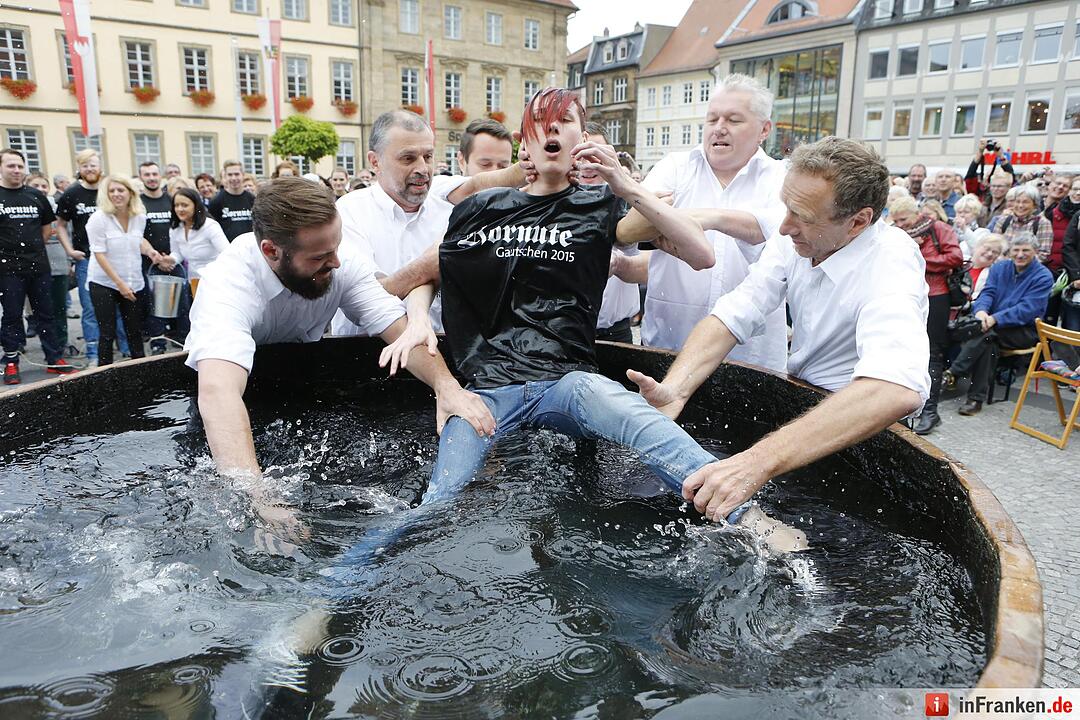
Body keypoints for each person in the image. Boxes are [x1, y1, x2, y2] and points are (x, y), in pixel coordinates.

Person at [424, 88, 791, 546]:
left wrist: (623, 184)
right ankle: (337, 589)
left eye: (565, 121)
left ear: (583, 138)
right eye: (542, 121)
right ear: (526, 140)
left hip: (567, 381)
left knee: (642, 422)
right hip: (487, 390)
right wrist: (419, 318)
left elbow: (701, 253)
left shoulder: (599, 207)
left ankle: (743, 512)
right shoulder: (482, 208)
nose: (553, 127)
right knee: (439, 500)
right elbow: (431, 268)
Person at [626, 137, 930, 522]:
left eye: (801, 215)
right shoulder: (794, 239)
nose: (784, 227)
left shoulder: (891, 265)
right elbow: (734, 313)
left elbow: (895, 388)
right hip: (803, 408)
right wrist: (676, 388)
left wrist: (756, 462)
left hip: (858, 429)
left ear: (857, 222)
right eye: (785, 207)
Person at [184, 176, 494, 536]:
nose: (335, 262)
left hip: (297, 382)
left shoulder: (340, 260)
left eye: (336, 247)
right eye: (319, 257)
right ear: (271, 251)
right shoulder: (229, 285)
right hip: (231, 405)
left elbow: (399, 330)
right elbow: (219, 394)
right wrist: (257, 497)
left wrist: (448, 387)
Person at [617, 74, 790, 373]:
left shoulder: (781, 177)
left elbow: (775, 231)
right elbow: (635, 225)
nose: (719, 128)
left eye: (734, 120)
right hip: (668, 345)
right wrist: (669, 229)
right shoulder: (675, 167)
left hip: (750, 357)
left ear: (764, 129)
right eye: (712, 119)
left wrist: (704, 219)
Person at [330, 110, 524, 343]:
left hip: (444, 349)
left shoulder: (443, 195)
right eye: (408, 158)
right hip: (367, 355)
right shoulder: (349, 212)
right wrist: (430, 264)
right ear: (375, 162)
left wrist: (537, 158)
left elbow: (482, 184)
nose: (422, 168)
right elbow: (362, 301)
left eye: (428, 156)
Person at [947, 234, 1053, 416]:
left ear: (1035, 252)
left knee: (986, 334)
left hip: (1024, 330)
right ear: (1010, 251)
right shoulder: (1000, 267)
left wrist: (994, 318)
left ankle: (954, 372)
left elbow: (1027, 310)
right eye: (1016, 250)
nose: (1020, 254)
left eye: (1025, 250)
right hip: (992, 326)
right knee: (988, 340)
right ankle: (975, 399)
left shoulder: (1043, 276)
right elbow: (987, 293)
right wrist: (981, 312)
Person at [1, 149, 78, 384]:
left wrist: (31, 250)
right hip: (7, 269)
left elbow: (47, 228)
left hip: (38, 266)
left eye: (19, 166)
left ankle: (54, 359)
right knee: (12, 315)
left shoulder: (35, 195)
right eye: (10, 165)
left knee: (47, 314)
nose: (16, 170)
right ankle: (11, 361)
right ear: (1, 168)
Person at [889, 196, 963, 435]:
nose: (900, 224)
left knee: (932, 353)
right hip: (904, 294)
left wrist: (919, 255)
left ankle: (930, 410)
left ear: (917, 215)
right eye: (896, 220)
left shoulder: (938, 228)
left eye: (904, 219)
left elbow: (955, 257)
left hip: (936, 295)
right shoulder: (897, 233)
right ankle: (901, 408)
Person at [85, 175, 167, 366]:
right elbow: (99, 254)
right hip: (103, 282)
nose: (116, 194)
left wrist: (151, 252)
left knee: (134, 329)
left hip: (132, 280)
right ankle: (103, 374)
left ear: (130, 193)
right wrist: (119, 284)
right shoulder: (98, 219)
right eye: (111, 191)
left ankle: (139, 370)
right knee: (107, 331)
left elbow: (138, 240)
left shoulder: (139, 217)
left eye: (120, 190)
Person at [576, 122, 640, 344]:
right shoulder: (551, 203)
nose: (587, 164)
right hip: (566, 335)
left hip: (616, 333)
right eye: (580, 153)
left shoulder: (631, 201)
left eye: (595, 154)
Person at [55, 148, 105, 362]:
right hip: (87, 259)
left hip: (113, 257)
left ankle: (126, 349)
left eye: (93, 164)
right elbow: (60, 224)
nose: (90, 169)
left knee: (121, 304)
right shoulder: (72, 194)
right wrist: (68, 250)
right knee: (90, 307)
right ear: (79, 168)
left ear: (100, 166)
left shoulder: (109, 190)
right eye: (85, 165)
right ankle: (93, 352)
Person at [26, 172, 75, 357]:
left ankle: (62, 343)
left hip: (58, 261)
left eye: (43, 186)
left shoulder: (58, 207)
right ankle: (49, 347)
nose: (41, 190)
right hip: (35, 264)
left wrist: (69, 261)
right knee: (42, 310)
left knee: (59, 308)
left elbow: (67, 234)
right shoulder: (26, 207)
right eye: (36, 186)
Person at [139, 161, 183, 354]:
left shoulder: (171, 200)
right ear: (141, 178)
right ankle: (158, 345)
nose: (151, 178)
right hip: (148, 262)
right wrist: (154, 256)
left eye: (154, 174)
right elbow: (135, 234)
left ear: (161, 176)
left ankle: (182, 342)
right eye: (147, 174)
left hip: (174, 260)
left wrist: (172, 258)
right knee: (154, 305)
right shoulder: (138, 204)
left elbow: (181, 228)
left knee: (181, 303)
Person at [162, 187, 228, 298]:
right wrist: (170, 259)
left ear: (196, 205)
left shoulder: (210, 226)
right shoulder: (175, 228)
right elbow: (177, 253)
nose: (180, 209)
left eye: (184, 205)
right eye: (176, 205)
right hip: (194, 281)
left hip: (216, 281)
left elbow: (227, 253)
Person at [989, 184, 1053, 263]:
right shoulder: (1003, 221)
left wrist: (1018, 263)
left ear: (1035, 206)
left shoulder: (1042, 223)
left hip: (1029, 269)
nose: (1020, 205)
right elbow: (994, 247)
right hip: (1002, 265)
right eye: (1017, 201)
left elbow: (1043, 255)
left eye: (1025, 202)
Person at [208, 160, 255, 242]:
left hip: (250, 247)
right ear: (225, 176)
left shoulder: (253, 199)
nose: (233, 178)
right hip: (227, 248)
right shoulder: (216, 201)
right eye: (230, 175)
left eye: (237, 174)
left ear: (243, 175)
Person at [952, 193, 989, 259]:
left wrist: (964, 229)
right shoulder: (950, 229)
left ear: (975, 214)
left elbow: (976, 250)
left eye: (966, 212)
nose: (962, 215)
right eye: (959, 212)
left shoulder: (983, 232)